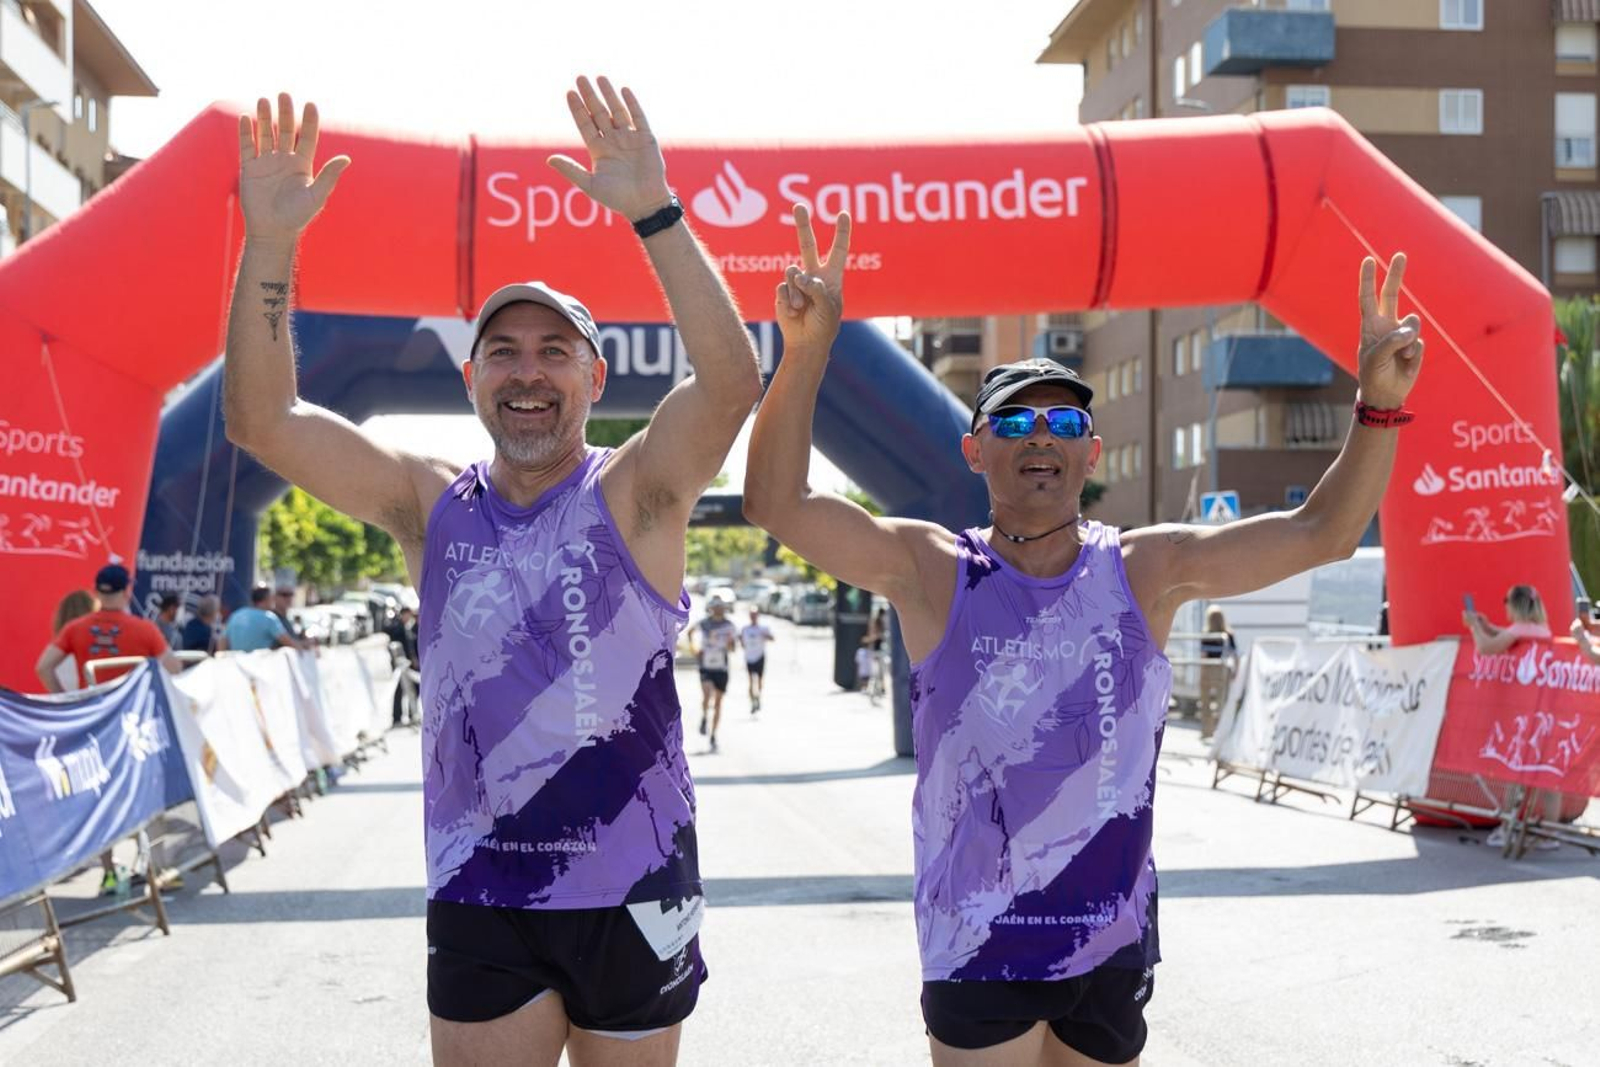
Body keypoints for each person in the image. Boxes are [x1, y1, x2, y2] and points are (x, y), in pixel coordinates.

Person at [743, 205, 1423, 1067]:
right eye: (1016, 423)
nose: (1041, 438)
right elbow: (776, 502)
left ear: (1091, 455)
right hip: (977, 941)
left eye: (1063, 424)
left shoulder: (1147, 569)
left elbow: (1322, 534)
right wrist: (806, 354)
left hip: (1106, 943)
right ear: (973, 451)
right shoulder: (931, 569)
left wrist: (1378, 407)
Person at [225, 81, 760, 1063]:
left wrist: (655, 211)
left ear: (593, 379)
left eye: (553, 351)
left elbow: (730, 383)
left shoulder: (640, 490)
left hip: (635, 886)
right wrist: (269, 244)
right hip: (483, 886)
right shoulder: (429, 504)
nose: (526, 370)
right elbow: (264, 422)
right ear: (471, 381)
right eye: (501, 351)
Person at [35, 564, 183, 692]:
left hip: (91, 711)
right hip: (131, 713)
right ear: (127, 592)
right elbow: (174, 669)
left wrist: (68, 702)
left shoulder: (74, 629)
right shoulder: (146, 629)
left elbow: (43, 668)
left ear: (96, 591)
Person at [689, 598, 737, 750]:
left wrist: (729, 643)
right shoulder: (704, 623)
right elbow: (690, 632)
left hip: (721, 667)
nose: (719, 610)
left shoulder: (729, 625)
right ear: (711, 609)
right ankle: (704, 717)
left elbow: (732, 649)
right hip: (706, 665)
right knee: (707, 695)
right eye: (716, 607)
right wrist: (694, 649)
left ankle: (713, 735)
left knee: (718, 703)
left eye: (721, 607)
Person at [1462, 584, 1552, 655]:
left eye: (1506, 600)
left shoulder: (1520, 628)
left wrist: (1474, 625)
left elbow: (1485, 648)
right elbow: (1508, 633)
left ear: (1516, 605)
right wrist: (1487, 628)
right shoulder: (1541, 626)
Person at [1197, 606, 1238, 740]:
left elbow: (1203, 654)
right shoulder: (1228, 635)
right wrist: (1235, 671)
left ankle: (1206, 730)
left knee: (1206, 701)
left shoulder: (1207, 634)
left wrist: (1201, 671)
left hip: (1209, 667)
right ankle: (1220, 730)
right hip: (1222, 669)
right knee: (1221, 701)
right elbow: (1234, 655)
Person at [222, 586, 303, 653]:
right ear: (266, 599)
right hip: (259, 668)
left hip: (236, 666)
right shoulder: (269, 617)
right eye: (271, 598)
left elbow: (222, 640)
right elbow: (289, 643)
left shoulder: (236, 615)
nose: (273, 601)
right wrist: (304, 646)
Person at [738, 606, 775, 712]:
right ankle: (752, 702)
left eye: (755, 615)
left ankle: (758, 697)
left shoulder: (763, 628)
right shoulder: (745, 629)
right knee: (750, 681)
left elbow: (772, 638)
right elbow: (742, 643)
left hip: (760, 656)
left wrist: (766, 636)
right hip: (749, 657)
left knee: (759, 681)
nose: (753, 617)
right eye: (751, 615)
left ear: (758, 616)